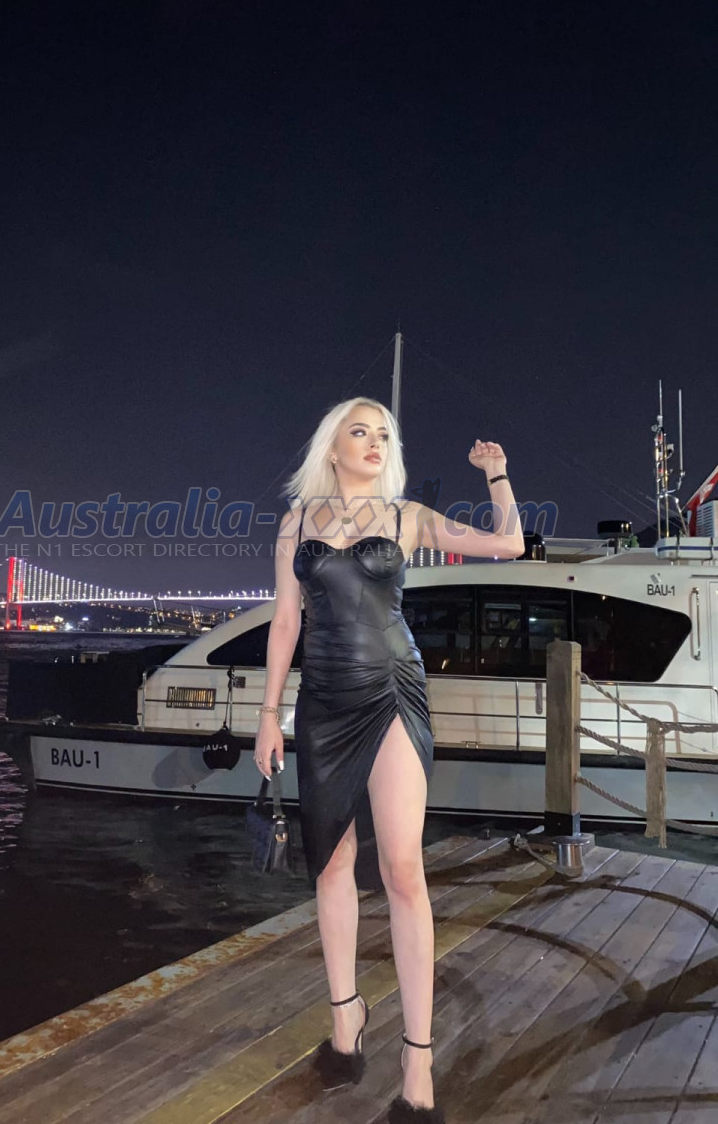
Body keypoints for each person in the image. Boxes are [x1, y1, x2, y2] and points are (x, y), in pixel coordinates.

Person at [254, 396, 523, 1123]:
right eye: (360, 432)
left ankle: (417, 1062)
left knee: (403, 870)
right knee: (331, 864)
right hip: (324, 703)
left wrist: (496, 476)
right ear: (332, 447)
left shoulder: (408, 517)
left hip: (394, 692)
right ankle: (346, 1023)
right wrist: (269, 715)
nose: (375, 443)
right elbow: (285, 621)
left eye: (383, 435)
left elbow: (509, 545)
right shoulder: (296, 524)